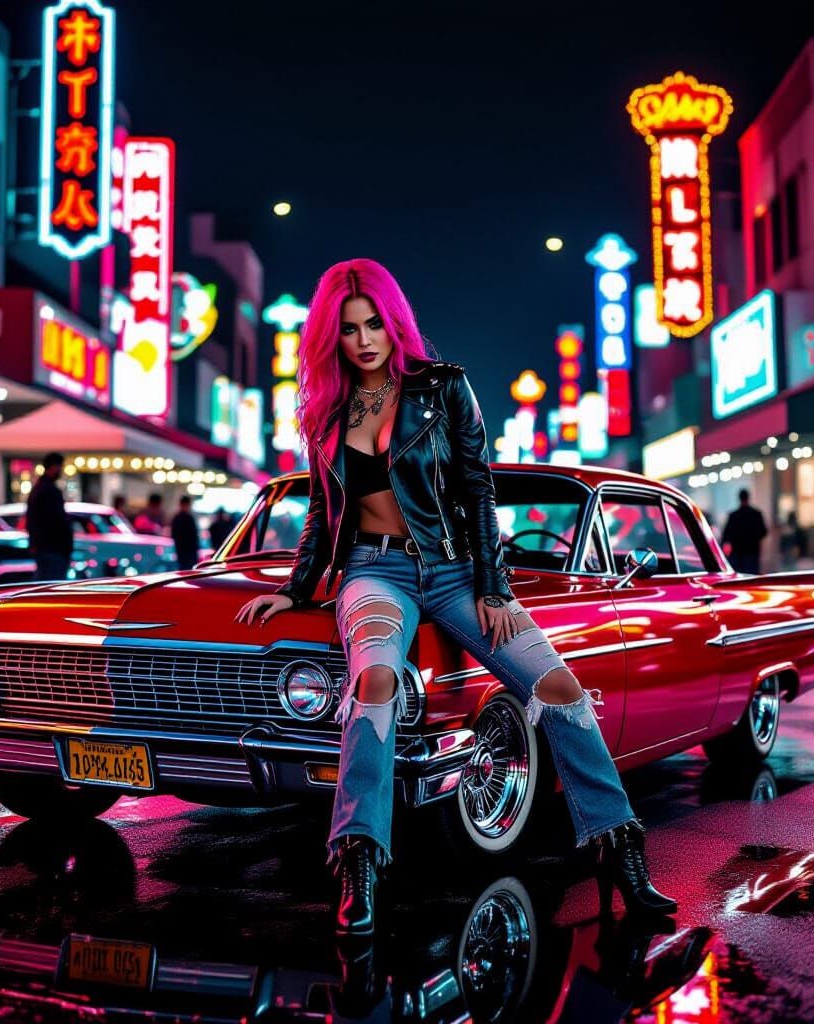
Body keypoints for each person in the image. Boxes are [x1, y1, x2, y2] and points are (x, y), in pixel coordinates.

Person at [235, 259, 675, 936]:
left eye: (374, 322)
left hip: (452, 571)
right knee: (375, 679)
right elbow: (324, 517)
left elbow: (477, 488)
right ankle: (360, 861)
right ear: (330, 336)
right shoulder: (325, 411)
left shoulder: (445, 389)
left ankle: (619, 846)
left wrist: (494, 586)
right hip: (372, 573)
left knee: (556, 686)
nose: (364, 339)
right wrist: (293, 589)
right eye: (348, 329)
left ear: (395, 320)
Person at [26, 452, 73, 581]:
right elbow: (56, 521)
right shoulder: (49, 491)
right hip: (53, 548)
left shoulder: (39, 489)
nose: (61, 470)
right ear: (53, 467)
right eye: (60, 467)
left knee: (43, 583)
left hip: (45, 547)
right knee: (52, 585)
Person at [721, 489, 768, 574]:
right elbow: (763, 532)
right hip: (752, 551)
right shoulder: (756, 514)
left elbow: (726, 535)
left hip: (737, 552)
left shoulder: (733, 516)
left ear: (739, 498)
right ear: (748, 498)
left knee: (739, 578)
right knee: (752, 577)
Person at [171, 495, 200, 570]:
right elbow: (194, 536)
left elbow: (173, 535)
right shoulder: (189, 518)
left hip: (181, 550)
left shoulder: (177, 518)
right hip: (189, 551)